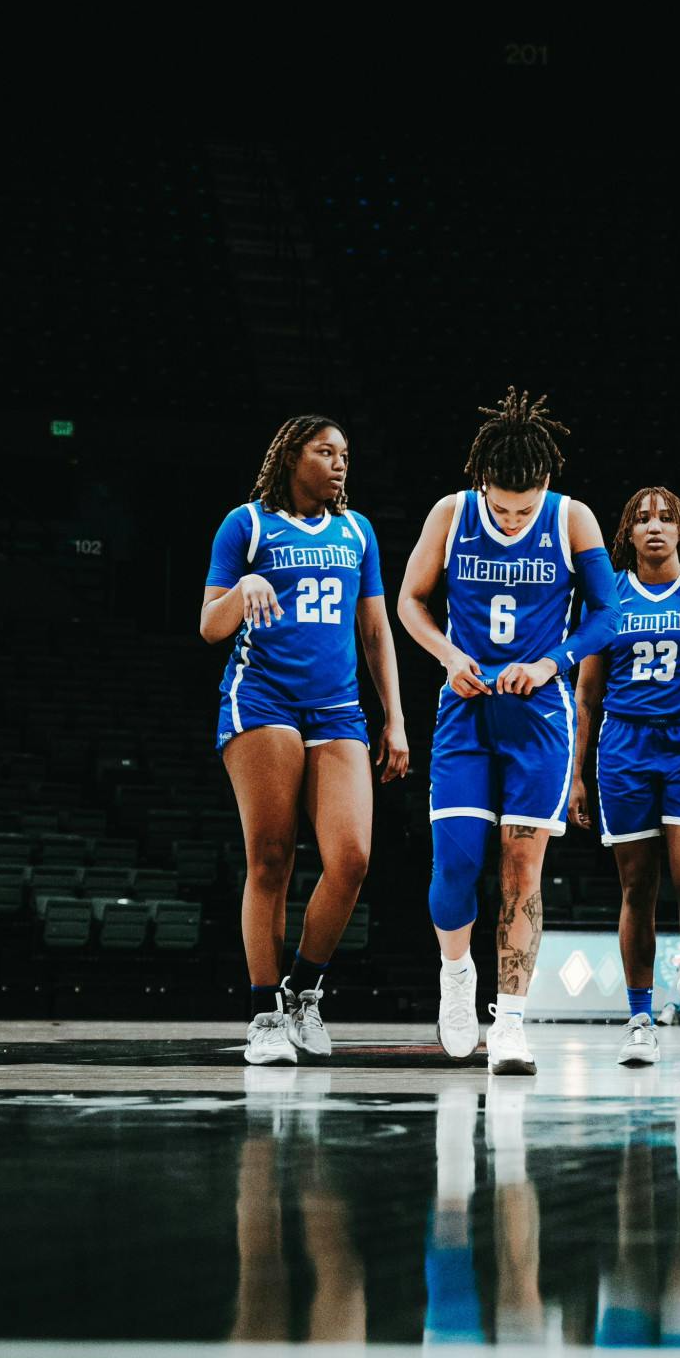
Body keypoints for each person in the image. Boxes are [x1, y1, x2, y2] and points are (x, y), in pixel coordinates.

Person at [397, 390, 618, 1076]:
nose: (512, 518)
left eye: (524, 509)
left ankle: (513, 1023)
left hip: (540, 716)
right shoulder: (451, 513)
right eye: (501, 508)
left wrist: (553, 661)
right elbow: (409, 601)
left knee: (522, 870)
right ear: (481, 484)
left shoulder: (572, 517)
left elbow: (608, 614)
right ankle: (456, 973)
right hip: (466, 708)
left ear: (545, 485)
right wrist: (447, 655)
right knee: (456, 863)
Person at [202, 414, 408, 1067]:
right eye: (326, 451)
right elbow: (210, 626)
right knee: (271, 858)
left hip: (338, 708)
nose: (340, 463)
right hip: (262, 699)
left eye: (345, 453)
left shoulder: (358, 531)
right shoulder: (247, 524)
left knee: (351, 859)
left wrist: (396, 719)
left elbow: (374, 630)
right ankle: (264, 1013)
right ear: (293, 457)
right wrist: (244, 587)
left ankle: (302, 992)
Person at [567, 485, 680, 1066]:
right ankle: (640, 1017)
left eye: (666, 518)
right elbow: (586, 694)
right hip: (623, 747)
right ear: (628, 531)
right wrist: (575, 775)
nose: (654, 526)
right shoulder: (608, 596)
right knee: (637, 888)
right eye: (643, 518)